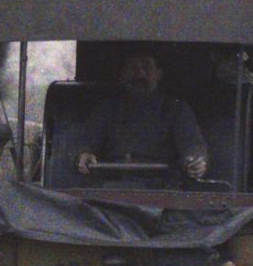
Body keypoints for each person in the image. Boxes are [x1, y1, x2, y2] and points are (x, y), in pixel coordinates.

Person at [75, 51, 209, 183]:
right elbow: (87, 142)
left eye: (146, 67)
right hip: (112, 185)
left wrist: (195, 162)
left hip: (162, 187)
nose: (139, 74)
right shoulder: (107, 109)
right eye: (132, 68)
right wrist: (84, 154)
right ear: (122, 75)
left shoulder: (176, 109)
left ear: (159, 74)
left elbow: (192, 145)